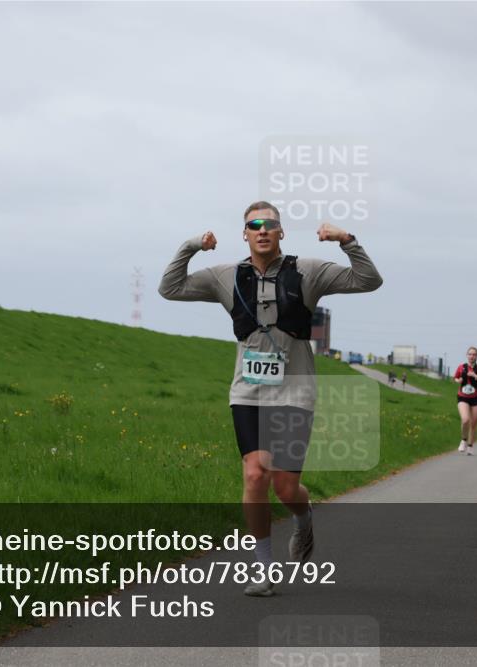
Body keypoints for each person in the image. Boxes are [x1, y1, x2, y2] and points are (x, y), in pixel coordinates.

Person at [158, 201, 382, 596]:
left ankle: (303, 517)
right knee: (254, 474)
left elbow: (368, 280)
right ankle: (263, 570)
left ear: (281, 232)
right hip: (248, 391)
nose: (262, 230)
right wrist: (192, 245)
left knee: (285, 488)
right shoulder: (227, 276)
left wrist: (346, 239)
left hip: (295, 391)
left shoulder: (308, 271)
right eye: (254, 225)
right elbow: (170, 288)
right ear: (244, 234)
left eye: (270, 224)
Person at [453, 346, 477, 455]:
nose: (472, 356)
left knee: (473, 424)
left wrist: (475, 376)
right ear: (467, 355)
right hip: (463, 396)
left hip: (476, 398)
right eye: (470, 354)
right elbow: (455, 378)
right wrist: (458, 380)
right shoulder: (461, 367)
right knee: (465, 420)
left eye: (474, 354)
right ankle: (463, 440)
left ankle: (470, 446)